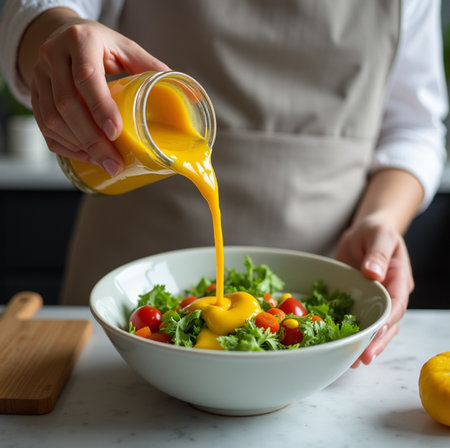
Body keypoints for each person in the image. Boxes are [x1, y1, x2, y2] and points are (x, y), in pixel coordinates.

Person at [0, 0, 447, 367]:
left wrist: (381, 221)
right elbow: (34, 11)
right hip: (128, 260)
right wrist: (59, 32)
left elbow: (415, 128)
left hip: (328, 257)